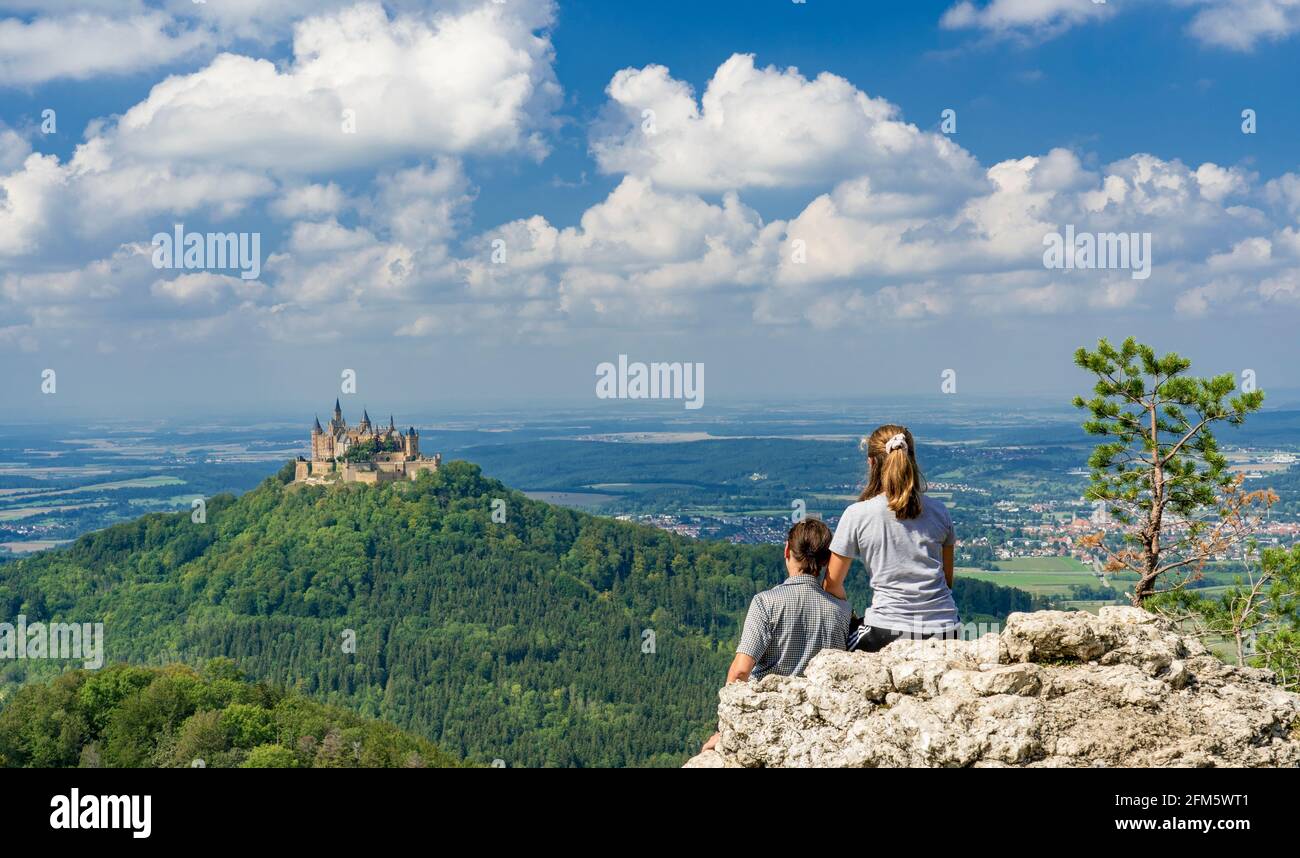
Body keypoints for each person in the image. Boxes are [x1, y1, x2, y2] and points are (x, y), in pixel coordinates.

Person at [700, 518, 850, 752]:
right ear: (825, 560)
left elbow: (740, 671)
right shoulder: (840, 609)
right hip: (819, 724)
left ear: (787, 550)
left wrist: (726, 729)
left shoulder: (766, 603)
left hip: (768, 719)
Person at [823, 424, 960, 652]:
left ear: (871, 463)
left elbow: (831, 583)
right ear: (911, 459)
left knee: (835, 649)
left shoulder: (857, 514)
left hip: (887, 630)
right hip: (946, 629)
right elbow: (946, 581)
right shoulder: (940, 511)